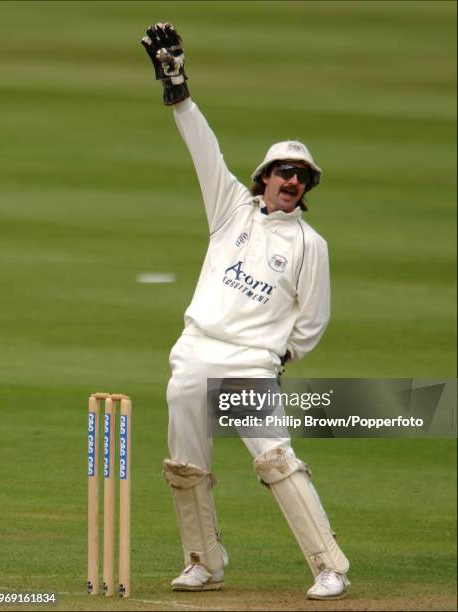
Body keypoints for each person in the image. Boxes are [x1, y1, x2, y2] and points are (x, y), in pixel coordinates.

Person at [141, 22, 350, 601]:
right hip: (195, 353)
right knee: (184, 465)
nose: (293, 180)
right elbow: (201, 145)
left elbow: (313, 320)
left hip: (250, 364)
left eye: (302, 177)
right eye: (284, 171)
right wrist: (177, 89)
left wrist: (276, 355)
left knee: (277, 462)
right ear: (264, 177)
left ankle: (329, 565)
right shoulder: (230, 207)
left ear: (307, 189)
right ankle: (204, 562)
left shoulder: (311, 245)